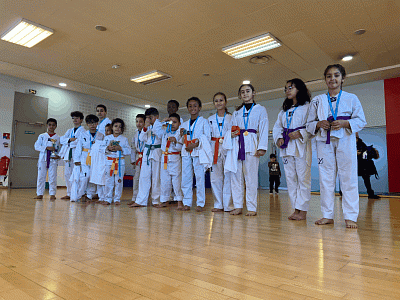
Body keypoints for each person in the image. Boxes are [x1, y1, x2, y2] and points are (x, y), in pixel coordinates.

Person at [306, 64, 367, 229]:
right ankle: (327, 215)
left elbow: (361, 120)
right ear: (325, 79)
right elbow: (309, 124)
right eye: (328, 76)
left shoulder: (351, 98)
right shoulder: (317, 100)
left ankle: (350, 216)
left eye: (336, 75)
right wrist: (319, 123)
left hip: (345, 139)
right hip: (323, 141)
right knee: (326, 178)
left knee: (348, 177)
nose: (332, 79)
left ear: (343, 78)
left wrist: (346, 122)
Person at [223, 84, 269, 216]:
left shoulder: (260, 109)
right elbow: (231, 129)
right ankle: (238, 206)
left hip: (252, 144)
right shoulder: (237, 112)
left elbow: (264, 128)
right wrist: (230, 136)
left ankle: (252, 207)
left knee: (251, 178)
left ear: (254, 93)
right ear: (239, 95)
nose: (245, 94)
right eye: (242, 92)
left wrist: (262, 147)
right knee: (236, 177)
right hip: (237, 145)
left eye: (248, 91)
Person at [273, 78, 312, 221]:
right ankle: (296, 208)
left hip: (301, 145)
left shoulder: (308, 107)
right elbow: (277, 127)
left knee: (303, 178)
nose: (288, 90)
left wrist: (301, 133)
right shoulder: (284, 111)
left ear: (299, 89)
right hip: (287, 146)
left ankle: (303, 210)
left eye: (291, 87)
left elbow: (313, 126)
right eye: (286, 88)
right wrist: (278, 138)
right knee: (290, 179)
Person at [179, 97, 212, 212]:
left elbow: (207, 137)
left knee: (200, 178)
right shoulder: (184, 123)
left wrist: (195, 144)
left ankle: (200, 203)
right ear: (187, 108)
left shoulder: (204, 121)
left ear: (199, 108)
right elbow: (181, 140)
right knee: (186, 178)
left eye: (195, 105)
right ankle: (186, 202)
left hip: (198, 152)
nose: (192, 108)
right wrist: (180, 135)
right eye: (190, 106)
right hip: (186, 152)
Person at [130, 108, 163, 208]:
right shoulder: (146, 127)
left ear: (156, 117)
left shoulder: (161, 126)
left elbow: (161, 136)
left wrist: (155, 126)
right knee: (144, 177)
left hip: (157, 151)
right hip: (147, 152)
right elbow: (141, 138)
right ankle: (141, 200)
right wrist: (145, 128)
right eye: (147, 118)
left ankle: (156, 200)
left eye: (151, 118)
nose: (149, 120)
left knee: (156, 177)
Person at [208, 92, 233, 212]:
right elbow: (207, 136)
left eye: (221, 100)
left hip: (228, 147)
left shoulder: (231, 117)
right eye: (216, 101)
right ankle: (218, 204)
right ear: (214, 103)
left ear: (226, 102)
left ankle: (228, 205)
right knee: (215, 177)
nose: (219, 103)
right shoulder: (210, 119)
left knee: (228, 176)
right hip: (214, 147)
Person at [71, 114, 104, 203]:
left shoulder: (101, 135)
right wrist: (76, 160)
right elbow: (78, 147)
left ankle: (89, 195)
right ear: (87, 124)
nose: (92, 125)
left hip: (95, 158)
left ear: (97, 124)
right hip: (84, 157)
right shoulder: (83, 134)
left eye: (94, 123)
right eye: (90, 123)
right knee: (85, 176)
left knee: (93, 177)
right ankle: (80, 194)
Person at [156, 113, 184, 208]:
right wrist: (163, 121)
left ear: (180, 123)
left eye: (175, 122)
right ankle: (164, 200)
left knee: (176, 181)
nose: (172, 124)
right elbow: (155, 129)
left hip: (175, 159)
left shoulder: (180, 133)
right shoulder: (164, 131)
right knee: (164, 180)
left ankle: (179, 200)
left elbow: (180, 147)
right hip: (164, 158)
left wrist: (175, 141)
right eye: (170, 122)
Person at [103, 118, 131, 205]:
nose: (117, 128)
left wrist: (121, 148)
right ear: (112, 127)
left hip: (119, 163)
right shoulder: (107, 138)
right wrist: (108, 148)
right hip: (109, 162)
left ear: (122, 129)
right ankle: (108, 198)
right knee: (108, 181)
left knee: (118, 181)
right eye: (115, 126)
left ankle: (117, 199)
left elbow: (129, 151)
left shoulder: (124, 139)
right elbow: (101, 149)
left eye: (120, 127)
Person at [59, 111, 85, 200]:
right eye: (73, 118)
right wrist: (69, 140)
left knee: (77, 174)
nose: (75, 120)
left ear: (81, 120)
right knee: (67, 174)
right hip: (68, 154)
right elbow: (61, 140)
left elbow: (79, 142)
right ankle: (69, 193)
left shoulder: (83, 131)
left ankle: (78, 193)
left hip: (77, 154)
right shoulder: (69, 130)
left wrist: (69, 142)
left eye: (77, 118)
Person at [34, 118, 60, 200]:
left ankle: (52, 194)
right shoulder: (42, 136)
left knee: (52, 177)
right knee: (41, 177)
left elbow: (60, 149)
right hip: (43, 159)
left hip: (53, 159)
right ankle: (40, 193)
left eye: (53, 125)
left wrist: (58, 155)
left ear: (56, 126)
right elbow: (36, 146)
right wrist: (46, 147)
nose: (51, 126)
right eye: (50, 125)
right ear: (47, 125)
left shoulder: (58, 137)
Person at [127, 114, 145, 205]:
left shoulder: (148, 132)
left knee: (145, 179)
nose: (138, 124)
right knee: (136, 178)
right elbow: (133, 148)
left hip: (146, 158)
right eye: (137, 121)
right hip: (139, 158)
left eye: (141, 121)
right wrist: (133, 159)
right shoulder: (135, 134)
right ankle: (134, 198)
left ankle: (145, 197)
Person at [356, 132, 380, 199]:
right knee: (351, 179)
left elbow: (364, 152)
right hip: (354, 165)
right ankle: (342, 192)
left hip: (362, 165)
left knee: (366, 179)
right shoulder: (351, 143)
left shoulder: (361, 143)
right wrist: (355, 153)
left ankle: (370, 194)